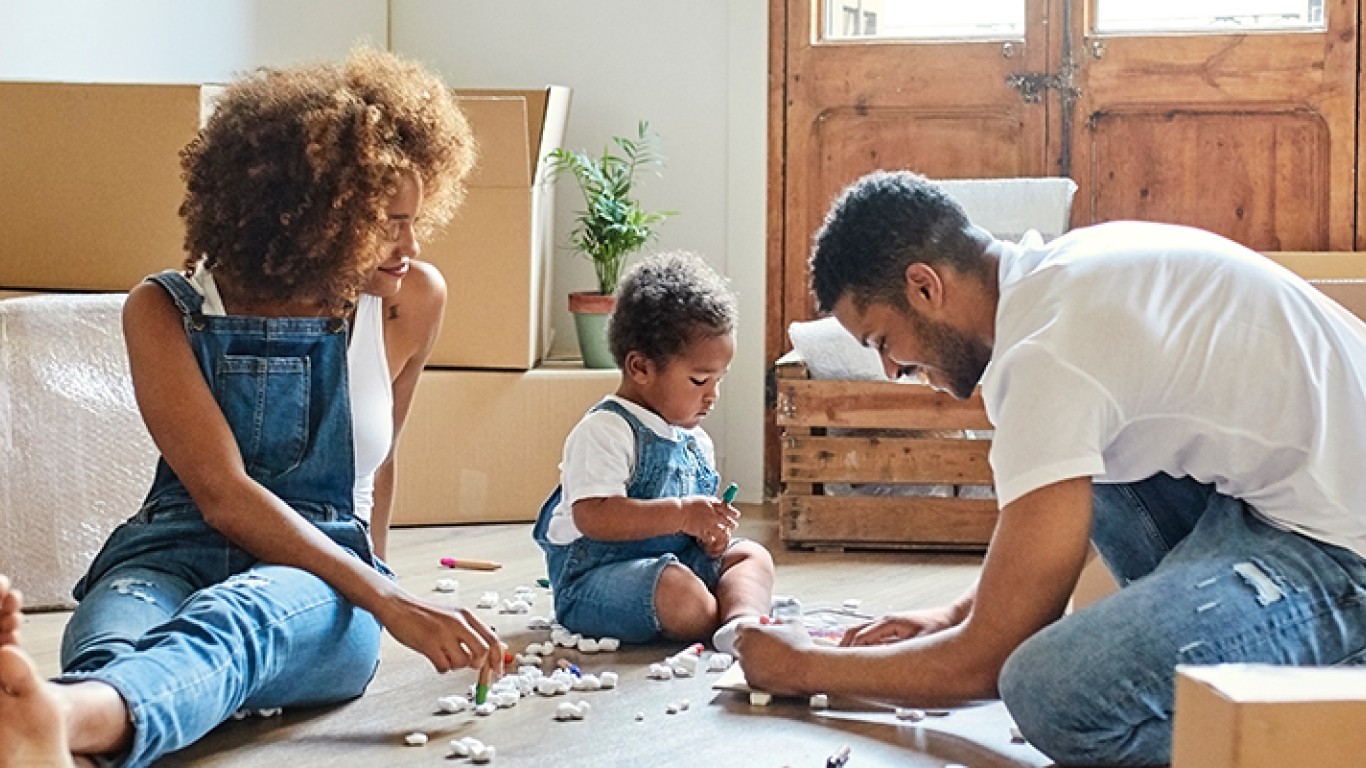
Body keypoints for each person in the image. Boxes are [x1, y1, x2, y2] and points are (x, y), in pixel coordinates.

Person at [736, 170, 1366, 765]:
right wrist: (951, 617)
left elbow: (988, 663)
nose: (891, 369)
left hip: (1342, 551)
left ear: (925, 287)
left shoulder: (1046, 356)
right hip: (1285, 504)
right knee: (1088, 463)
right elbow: (1038, 549)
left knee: (1050, 692)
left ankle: (1327, 710)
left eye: (880, 341)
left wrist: (804, 668)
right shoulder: (1061, 278)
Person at [0, 48, 502, 768]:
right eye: (388, 222)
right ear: (318, 218)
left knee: (234, 622)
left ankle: (55, 718)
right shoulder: (163, 309)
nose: (410, 245)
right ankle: (63, 734)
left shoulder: (409, 302)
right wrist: (392, 604)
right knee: (113, 638)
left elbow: (378, 468)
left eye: (415, 219)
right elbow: (222, 496)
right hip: (170, 552)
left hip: (324, 576)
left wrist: (382, 592)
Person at [533, 251, 775, 654]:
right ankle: (714, 613)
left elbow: (696, 534)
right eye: (699, 380)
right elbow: (594, 515)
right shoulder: (606, 430)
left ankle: (741, 624)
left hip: (672, 565)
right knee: (681, 594)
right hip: (596, 578)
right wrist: (683, 513)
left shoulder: (695, 441)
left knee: (752, 556)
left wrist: (711, 538)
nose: (712, 396)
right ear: (640, 368)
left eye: (718, 380)